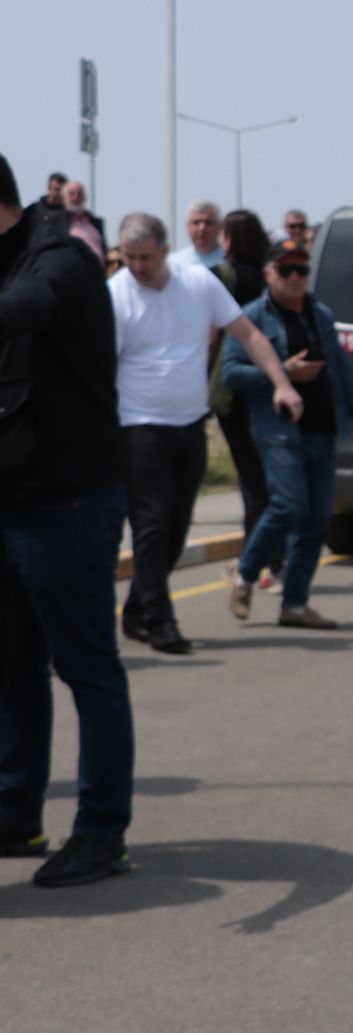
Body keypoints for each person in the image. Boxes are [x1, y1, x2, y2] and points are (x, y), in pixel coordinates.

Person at [0, 153, 137, 887]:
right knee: (11, 664)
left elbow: (31, 305)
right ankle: (15, 813)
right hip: (11, 496)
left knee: (87, 668)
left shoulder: (60, 253)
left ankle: (101, 832)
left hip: (69, 500)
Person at [110, 213, 300, 655]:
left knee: (176, 528)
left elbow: (249, 336)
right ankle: (160, 620)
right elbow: (103, 363)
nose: (137, 267)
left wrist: (283, 384)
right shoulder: (115, 293)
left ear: (164, 251)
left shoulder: (198, 283)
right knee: (152, 524)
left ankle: (137, 609)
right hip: (137, 425)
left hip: (189, 423)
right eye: (129, 257)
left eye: (145, 258)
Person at [221, 238, 353, 629]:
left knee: (317, 520)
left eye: (301, 269)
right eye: (285, 270)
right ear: (268, 274)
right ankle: (246, 573)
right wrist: (282, 371)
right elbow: (230, 373)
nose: (294, 277)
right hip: (278, 430)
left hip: (322, 428)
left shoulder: (321, 314)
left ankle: (295, 604)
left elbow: (342, 370)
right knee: (289, 506)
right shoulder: (252, 317)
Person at [211, 210, 273, 559]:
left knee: (251, 480)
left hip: (232, 388)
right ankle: (266, 553)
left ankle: (254, 555)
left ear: (230, 239)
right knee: (264, 476)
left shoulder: (221, 275)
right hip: (267, 383)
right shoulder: (271, 277)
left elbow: (209, 337)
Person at [170, 200, 224, 271]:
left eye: (208, 223)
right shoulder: (173, 262)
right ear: (188, 227)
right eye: (196, 222)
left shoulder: (230, 259)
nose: (202, 228)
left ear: (220, 227)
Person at [61, 180, 105, 262]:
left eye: (80, 194)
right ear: (64, 198)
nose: (76, 197)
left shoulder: (95, 223)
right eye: (72, 194)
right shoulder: (58, 223)